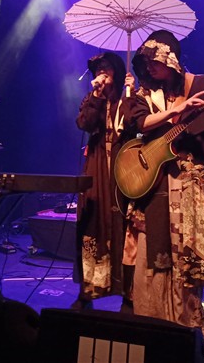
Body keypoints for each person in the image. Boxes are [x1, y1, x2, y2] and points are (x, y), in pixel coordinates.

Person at [122, 30, 204, 337]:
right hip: (156, 184)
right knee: (153, 255)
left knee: (188, 258)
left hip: (194, 188)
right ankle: (152, 326)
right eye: (145, 63)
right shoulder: (145, 94)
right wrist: (176, 111)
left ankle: (186, 330)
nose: (149, 68)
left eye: (154, 61)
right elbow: (138, 123)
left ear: (171, 60)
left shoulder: (203, 85)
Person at [73, 51, 135, 311]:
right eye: (99, 68)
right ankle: (88, 290)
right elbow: (84, 124)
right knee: (93, 222)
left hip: (124, 167)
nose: (102, 71)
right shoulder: (93, 98)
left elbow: (133, 125)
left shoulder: (128, 96)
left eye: (107, 67)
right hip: (97, 167)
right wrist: (97, 95)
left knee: (124, 225)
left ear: (117, 71)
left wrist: (130, 94)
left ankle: (128, 293)